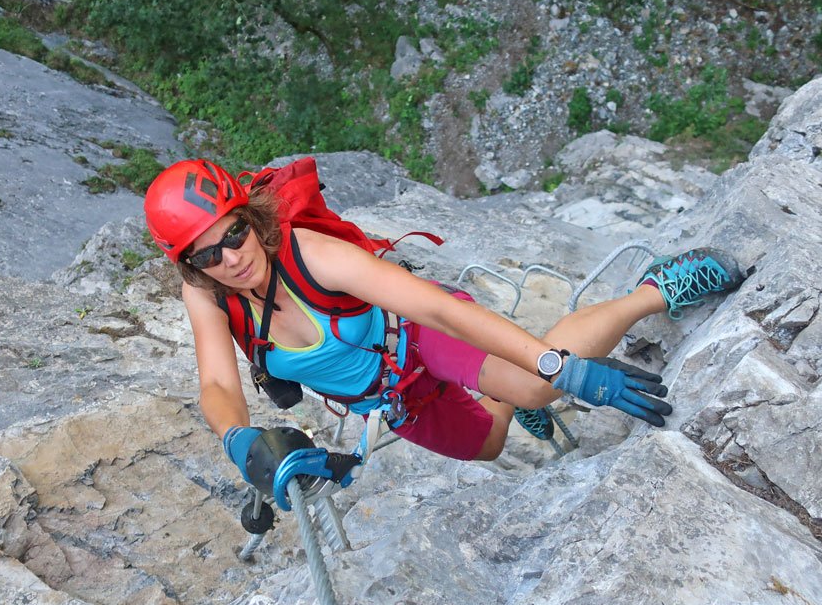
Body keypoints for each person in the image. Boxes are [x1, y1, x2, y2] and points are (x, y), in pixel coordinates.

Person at [144, 159, 745, 469]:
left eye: (235, 233)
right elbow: (218, 384)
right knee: (488, 444)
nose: (231, 258)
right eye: (208, 253)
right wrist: (239, 441)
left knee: (536, 387)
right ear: (190, 265)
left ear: (251, 219)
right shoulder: (208, 295)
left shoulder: (311, 255)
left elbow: (437, 311)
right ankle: (506, 393)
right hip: (389, 397)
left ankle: (656, 290)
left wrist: (558, 367)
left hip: (419, 334)